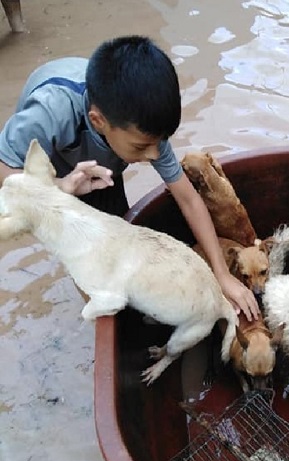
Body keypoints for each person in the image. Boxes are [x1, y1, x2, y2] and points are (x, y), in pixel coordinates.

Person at [0, 35, 260, 320]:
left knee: (120, 241)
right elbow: (6, 169)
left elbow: (188, 199)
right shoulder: (51, 111)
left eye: (158, 143)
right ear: (99, 121)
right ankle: (105, 319)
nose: (153, 155)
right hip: (52, 173)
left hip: (103, 172)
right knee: (85, 261)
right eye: (141, 147)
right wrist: (60, 187)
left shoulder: (145, 131)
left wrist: (220, 274)